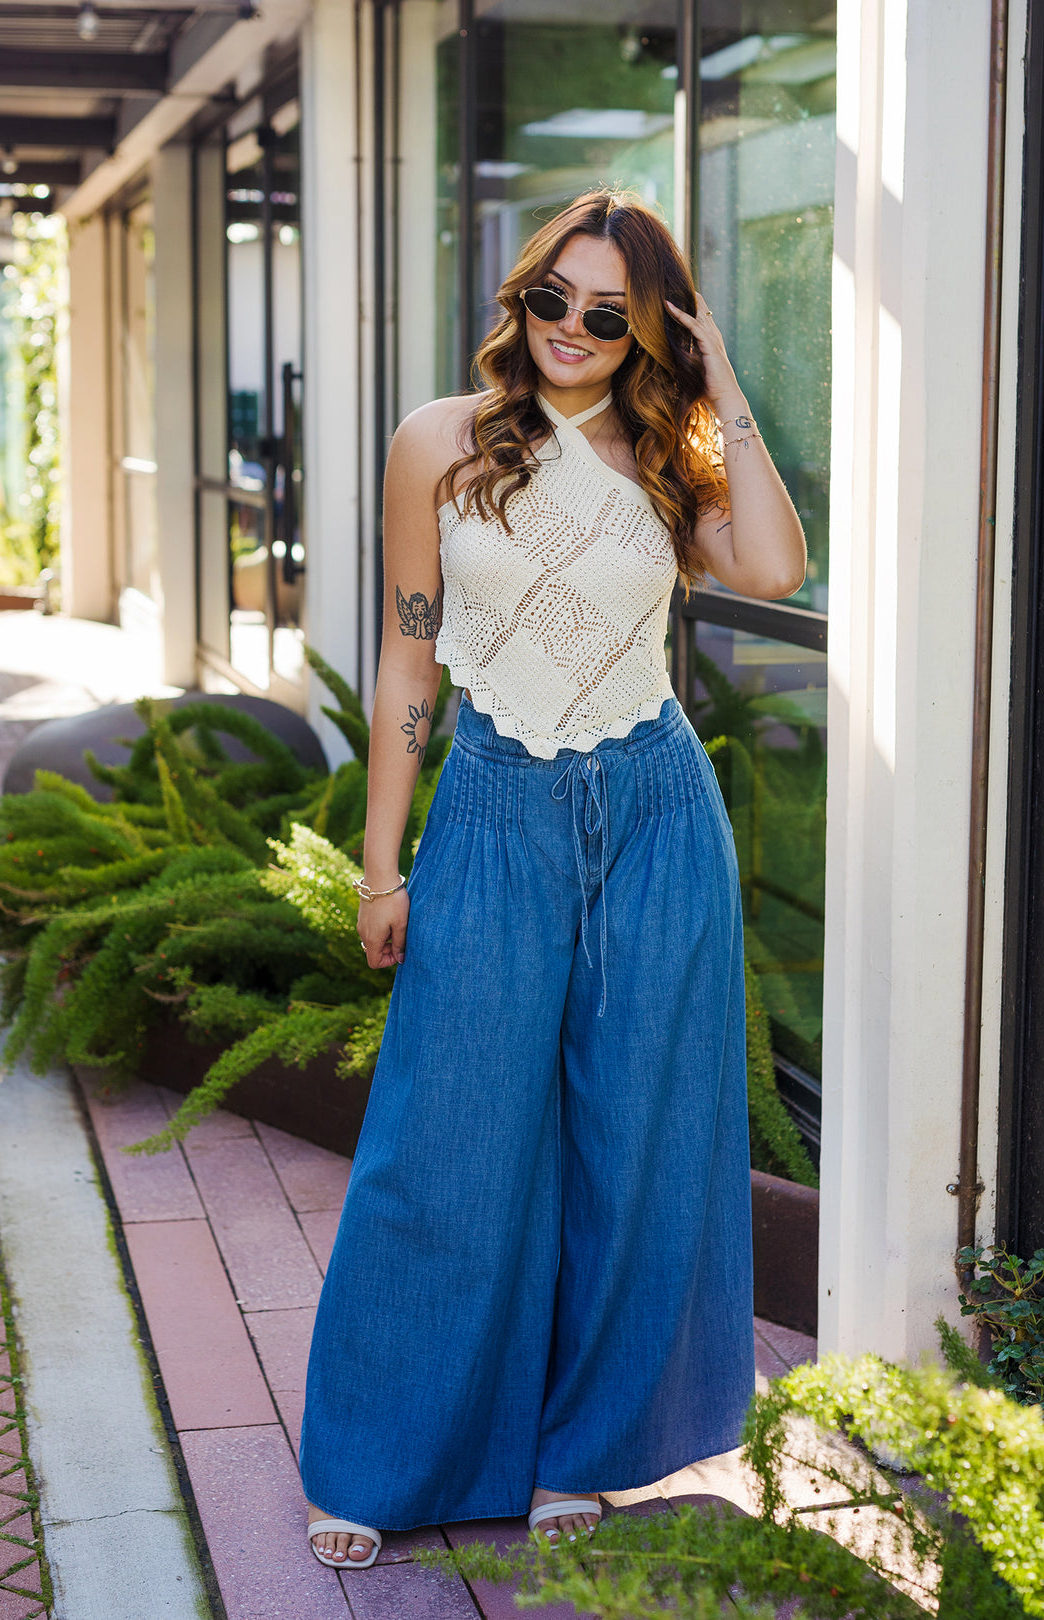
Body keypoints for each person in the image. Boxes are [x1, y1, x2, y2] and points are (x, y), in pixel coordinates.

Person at [301, 188, 807, 1569]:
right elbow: (412, 654)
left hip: (652, 806)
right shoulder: (436, 442)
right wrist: (381, 864)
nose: (574, 332)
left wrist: (721, 384)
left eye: (609, 313)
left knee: (636, 1141)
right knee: (441, 1139)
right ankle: (383, 1458)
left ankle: (586, 1450)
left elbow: (770, 560)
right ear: (517, 299)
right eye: (551, 301)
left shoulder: (670, 444)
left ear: (645, 326)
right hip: (495, 807)